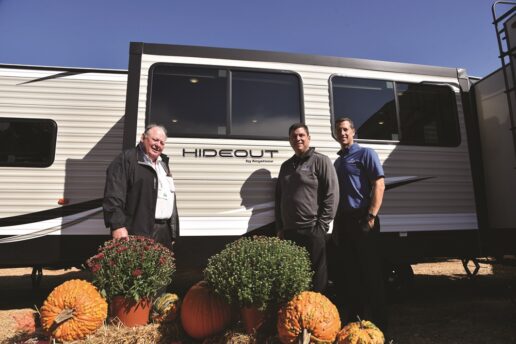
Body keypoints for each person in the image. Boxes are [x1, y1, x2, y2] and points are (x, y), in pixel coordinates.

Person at [331, 117, 386, 329]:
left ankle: (380, 324)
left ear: (353, 132)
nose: (342, 133)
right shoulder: (338, 162)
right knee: (351, 274)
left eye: (345, 129)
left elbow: (379, 185)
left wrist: (371, 216)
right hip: (345, 221)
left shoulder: (366, 154)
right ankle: (355, 322)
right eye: (339, 131)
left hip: (363, 218)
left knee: (371, 273)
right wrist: (336, 227)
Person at [275, 123, 338, 292]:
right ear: (290, 141)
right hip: (290, 232)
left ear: (308, 138)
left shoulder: (320, 160)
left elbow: (332, 194)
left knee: (317, 276)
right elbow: (279, 198)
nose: (298, 139)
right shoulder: (286, 166)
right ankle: (298, 311)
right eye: (294, 136)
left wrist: (322, 226)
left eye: (301, 135)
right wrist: (280, 228)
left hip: (312, 229)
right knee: (295, 275)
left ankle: (318, 312)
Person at [103, 124, 179, 251]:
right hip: (138, 231)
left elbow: (170, 198)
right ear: (143, 138)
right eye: (155, 140)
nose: (158, 145)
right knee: (140, 270)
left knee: (163, 270)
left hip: (163, 232)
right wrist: (117, 226)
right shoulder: (126, 159)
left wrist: (173, 230)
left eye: (162, 142)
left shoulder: (163, 164)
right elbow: (113, 195)